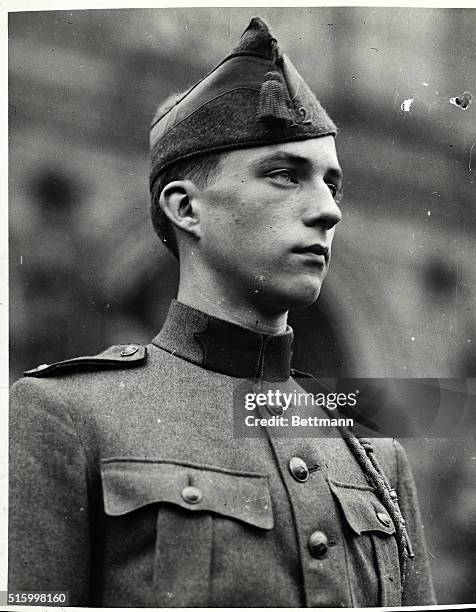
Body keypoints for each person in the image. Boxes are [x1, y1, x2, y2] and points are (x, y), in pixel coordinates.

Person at [9, 17, 436, 607]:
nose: (327, 212)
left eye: (332, 186)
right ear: (187, 208)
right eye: (285, 175)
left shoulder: (375, 451)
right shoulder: (64, 418)